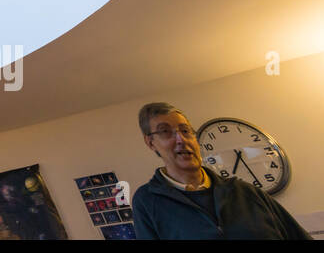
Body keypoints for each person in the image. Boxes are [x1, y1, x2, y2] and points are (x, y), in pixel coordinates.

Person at [131, 102, 311, 240]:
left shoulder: (246, 192)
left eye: (186, 130)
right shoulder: (147, 201)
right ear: (150, 142)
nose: (181, 139)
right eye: (165, 132)